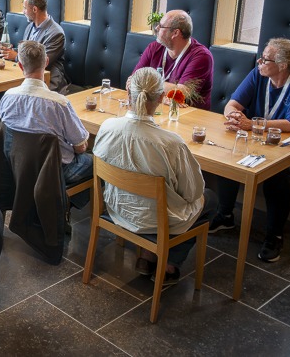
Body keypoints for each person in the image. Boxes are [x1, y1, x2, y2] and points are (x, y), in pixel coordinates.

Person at [210, 38, 290, 262]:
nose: (260, 62)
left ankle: (274, 235)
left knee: (277, 173)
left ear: (282, 65)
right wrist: (234, 117)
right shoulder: (259, 75)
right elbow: (233, 104)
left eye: (266, 59)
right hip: (264, 138)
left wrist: (251, 124)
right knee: (229, 152)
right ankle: (225, 215)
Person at [92, 67, 215, 284]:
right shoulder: (171, 143)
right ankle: (169, 263)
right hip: (156, 219)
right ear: (161, 97)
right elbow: (192, 193)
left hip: (116, 207)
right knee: (211, 199)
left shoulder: (107, 127)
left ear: (129, 93)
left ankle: (148, 256)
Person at [0, 41, 92, 187]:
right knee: (96, 163)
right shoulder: (59, 103)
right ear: (46, 61)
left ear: (21, 66)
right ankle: (64, 202)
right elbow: (80, 147)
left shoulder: (7, 97)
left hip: (17, 167)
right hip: (55, 171)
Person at [134, 9, 213, 109]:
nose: (157, 28)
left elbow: (181, 93)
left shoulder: (201, 56)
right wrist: (162, 98)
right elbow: (132, 81)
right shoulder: (154, 47)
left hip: (188, 117)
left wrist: (145, 83)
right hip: (157, 109)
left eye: (161, 26)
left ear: (175, 33)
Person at [0, 0, 69, 93]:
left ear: (35, 9)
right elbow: (28, 51)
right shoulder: (29, 27)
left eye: (24, 8)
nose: (23, 12)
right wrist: (9, 50)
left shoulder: (56, 33)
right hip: (27, 75)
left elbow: (42, 61)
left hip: (48, 78)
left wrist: (16, 56)